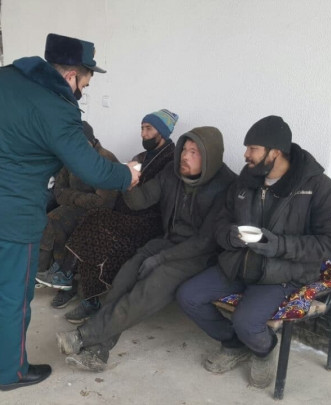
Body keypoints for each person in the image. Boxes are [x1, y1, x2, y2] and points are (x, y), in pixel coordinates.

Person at [0, 33, 140, 391]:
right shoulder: (57, 107)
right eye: (85, 83)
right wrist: (126, 174)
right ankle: (12, 372)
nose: (82, 91)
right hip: (14, 218)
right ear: (71, 76)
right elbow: (91, 168)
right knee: (12, 297)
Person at [175, 115, 331, 388]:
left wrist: (280, 245)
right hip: (239, 263)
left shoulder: (318, 187)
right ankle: (235, 344)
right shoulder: (246, 181)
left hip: (282, 273)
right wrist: (230, 235)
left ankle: (263, 349)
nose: (246, 154)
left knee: (247, 323)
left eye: (253, 149)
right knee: (188, 296)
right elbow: (221, 222)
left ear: (275, 152)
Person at [56, 127, 236, 372]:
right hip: (167, 242)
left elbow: (204, 242)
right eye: (184, 149)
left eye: (194, 152)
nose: (185, 156)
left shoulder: (226, 186)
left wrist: (161, 258)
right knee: (124, 277)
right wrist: (126, 181)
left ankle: (84, 336)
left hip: (199, 255)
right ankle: (99, 350)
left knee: (147, 289)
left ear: (210, 156)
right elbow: (141, 201)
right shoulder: (172, 173)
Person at [51, 109, 178, 320]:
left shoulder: (170, 162)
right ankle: (86, 296)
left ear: (163, 132)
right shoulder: (142, 157)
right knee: (93, 227)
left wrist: (128, 181)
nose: (143, 134)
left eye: (148, 129)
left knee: (96, 221)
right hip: (129, 214)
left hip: (149, 220)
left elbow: (148, 198)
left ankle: (67, 274)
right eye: (142, 128)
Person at [35, 121, 119, 288]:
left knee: (61, 220)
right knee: (50, 219)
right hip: (74, 207)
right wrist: (80, 197)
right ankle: (52, 270)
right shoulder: (71, 158)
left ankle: (63, 274)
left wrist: (71, 196)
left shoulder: (105, 159)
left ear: (90, 140)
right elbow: (59, 191)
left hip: (99, 214)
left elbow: (102, 201)